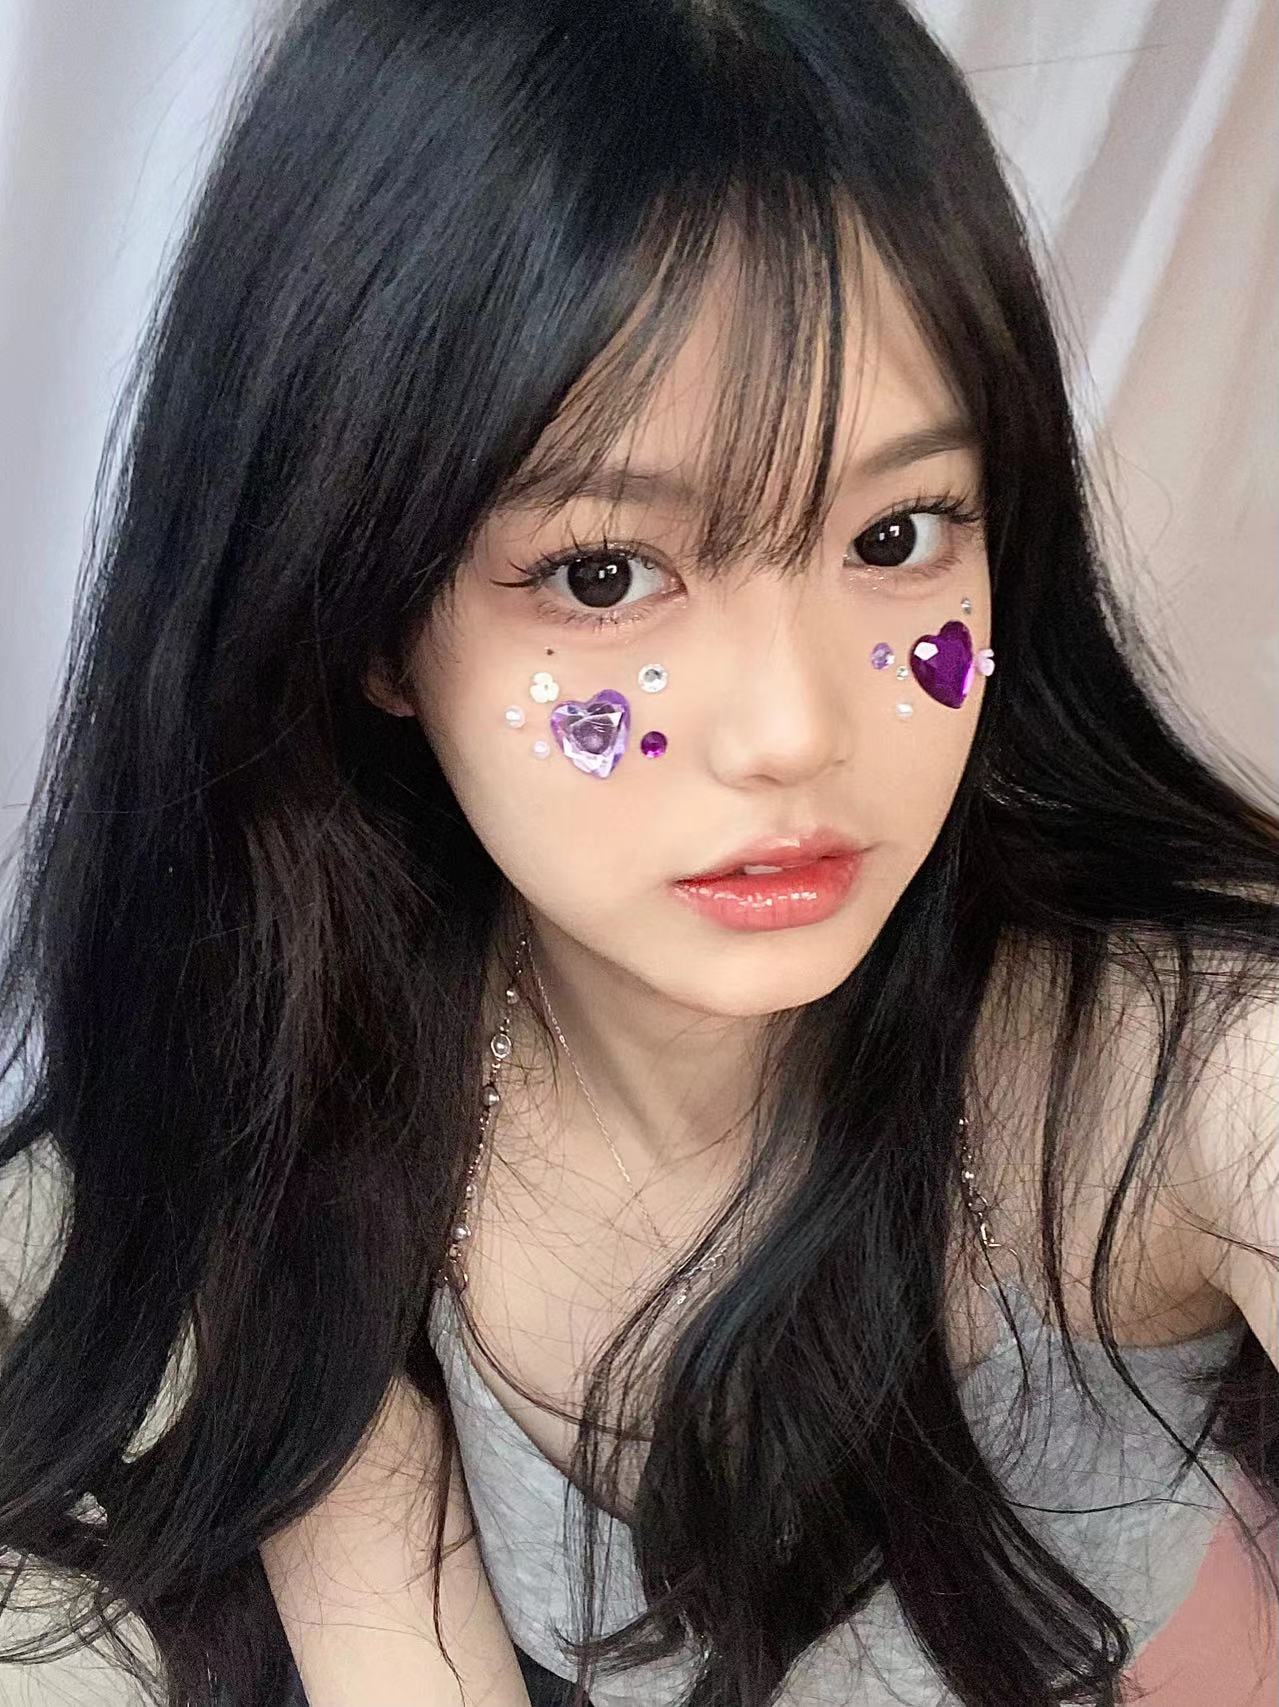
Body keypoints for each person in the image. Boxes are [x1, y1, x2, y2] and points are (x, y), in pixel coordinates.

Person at [0, 1, 1276, 1703]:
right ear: (365, 611)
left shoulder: (1175, 1069)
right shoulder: (274, 1103)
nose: (792, 730)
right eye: (606, 574)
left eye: (897, 532)